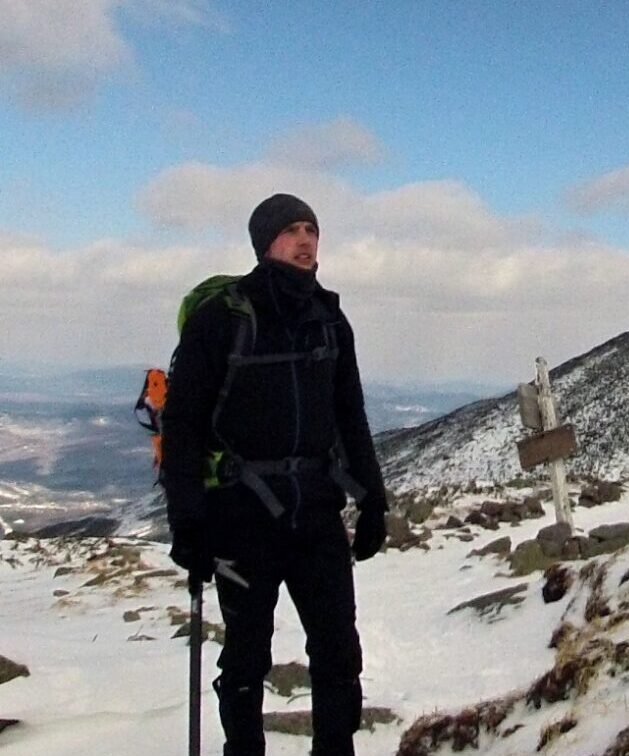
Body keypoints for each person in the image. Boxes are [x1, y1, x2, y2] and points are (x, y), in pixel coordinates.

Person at [162, 193, 388, 756]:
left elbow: (350, 415)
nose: (305, 239)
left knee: (339, 652)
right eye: (291, 230)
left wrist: (374, 499)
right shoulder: (222, 320)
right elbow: (184, 423)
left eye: (311, 229)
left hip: (316, 510)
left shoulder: (330, 320)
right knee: (245, 658)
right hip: (240, 515)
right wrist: (187, 519)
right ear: (265, 243)